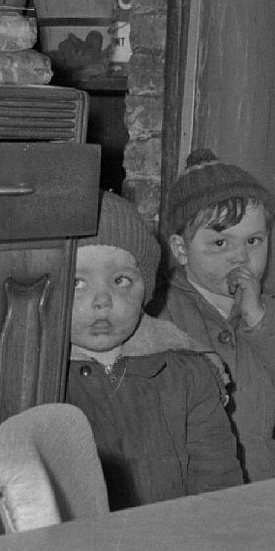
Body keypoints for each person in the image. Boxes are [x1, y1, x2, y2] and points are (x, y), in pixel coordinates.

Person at [67, 190, 244, 510]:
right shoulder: (36, 378)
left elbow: (218, 478)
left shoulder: (188, 370)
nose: (102, 300)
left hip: (174, 543)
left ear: (145, 290)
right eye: (78, 283)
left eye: (120, 280)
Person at [159, 149, 275, 484]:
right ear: (181, 251)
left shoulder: (263, 310)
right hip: (188, 488)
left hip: (257, 479)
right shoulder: (162, 312)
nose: (241, 257)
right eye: (220, 242)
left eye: (253, 240)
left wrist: (258, 317)